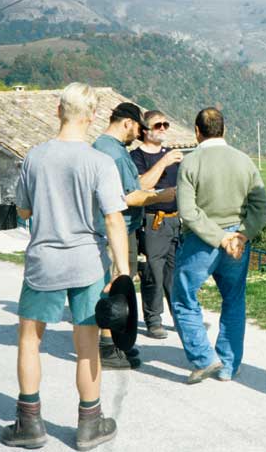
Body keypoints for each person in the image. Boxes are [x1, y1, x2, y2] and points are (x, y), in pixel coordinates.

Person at [2, 82, 126, 450]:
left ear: (58, 110)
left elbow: (23, 211)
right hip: (87, 263)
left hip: (44, 261)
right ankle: (89, 424)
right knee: (87, 343)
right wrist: (121, 270)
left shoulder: (34, 157)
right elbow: (114, 220)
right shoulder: (100, 162)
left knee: (29, 339)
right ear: (91, 118)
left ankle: (30, 424)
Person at [171, 108, 266, 384]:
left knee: (182, 296)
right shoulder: (244, 161)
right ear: (224, 130)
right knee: (234, 300)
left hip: (202, 241)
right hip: (238, 242)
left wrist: (218, 237)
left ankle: (204, 358)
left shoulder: (190, 163)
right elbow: (262, 208)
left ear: (196, 130)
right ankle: (228, 366)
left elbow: (188, 212)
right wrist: (240, 235)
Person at [93, 102, 175, 369]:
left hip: (124, 226)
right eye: (137, 128)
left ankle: (117, 342)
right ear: (127, 123)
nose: (137, 135)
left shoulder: (109, 148)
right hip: (118, 226)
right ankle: (108, 346)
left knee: (120, 284)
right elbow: (128, 195)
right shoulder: (114, 154)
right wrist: (160, 196)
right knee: (117, 286)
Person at [130, 110, 184, 339]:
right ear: (144, 131)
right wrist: (163, 161)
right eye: (157, 125)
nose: (163, 128)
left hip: (175, 220)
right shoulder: (137, 157)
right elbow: (141, 185)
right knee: (154, 271)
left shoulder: (172, 155)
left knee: (176, 272)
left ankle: (180, 318)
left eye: (165, 124)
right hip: (153, 220)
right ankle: (154, 320)